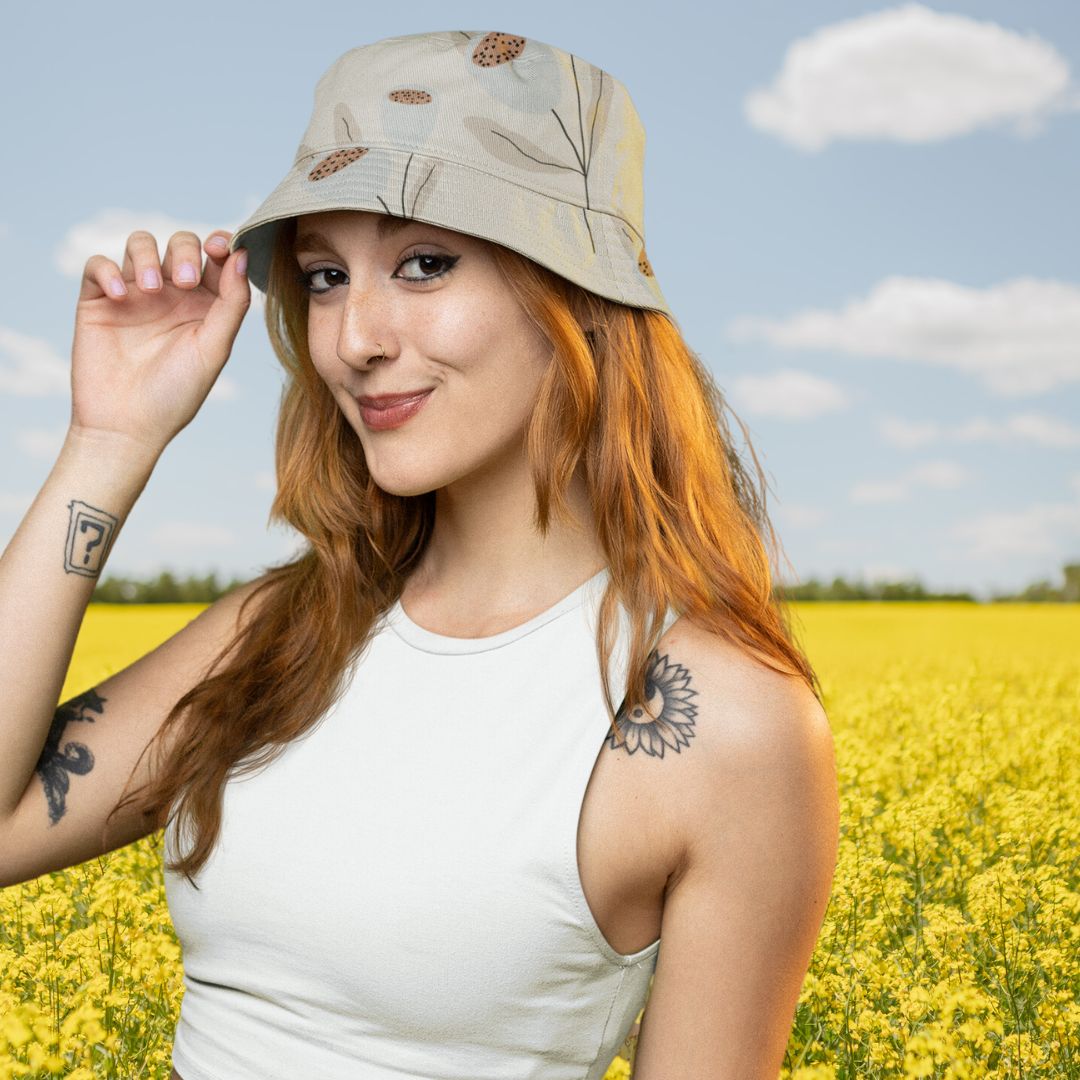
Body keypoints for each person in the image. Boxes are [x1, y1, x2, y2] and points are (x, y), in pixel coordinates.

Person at [0, 29, 839, 1080]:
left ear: (578, 289)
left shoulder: (726, 725)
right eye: (321, 276)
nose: (355, 337)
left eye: (425, 263)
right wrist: (108, 442)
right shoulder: (283, 631)